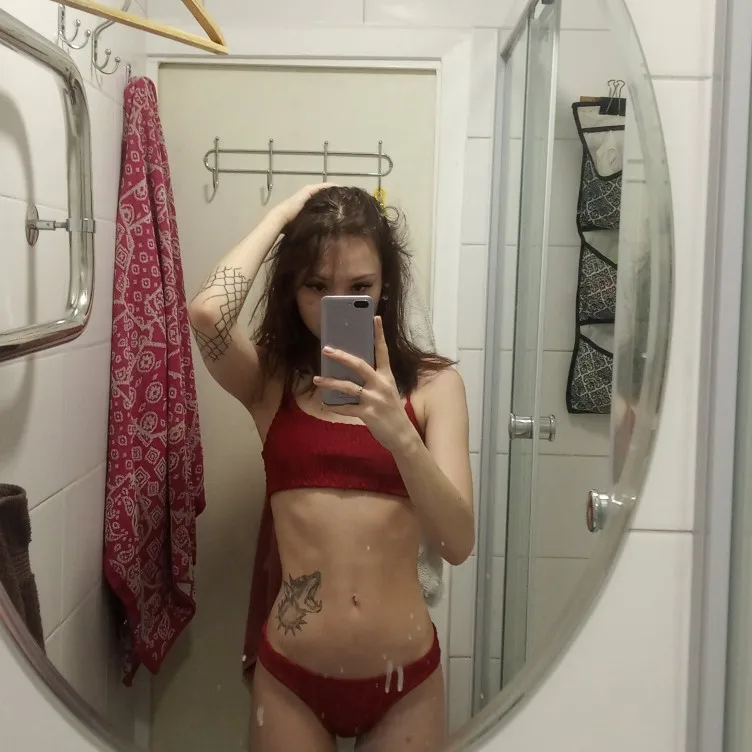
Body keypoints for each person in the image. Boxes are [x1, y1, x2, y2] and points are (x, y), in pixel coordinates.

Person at [188, 184, 474, 751]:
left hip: (405, 682)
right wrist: (281, 218)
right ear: (292, 288)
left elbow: (457, 543)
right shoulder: (272, 384)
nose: (336, 303)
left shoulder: (435, 388)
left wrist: (401, 437)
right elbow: (207, 314)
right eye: (316, 286)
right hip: (292, 681)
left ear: (386, 286)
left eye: (360, 287)